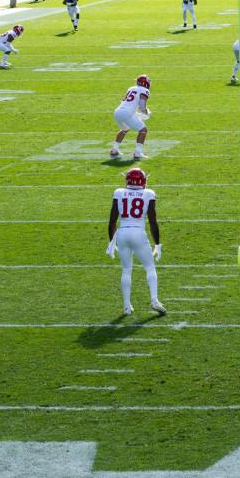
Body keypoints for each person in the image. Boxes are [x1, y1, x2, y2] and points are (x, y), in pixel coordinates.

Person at [106, 166, 164, 318]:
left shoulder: (119, 193)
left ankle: (126, 306)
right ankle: (154, 300)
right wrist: (157, 244)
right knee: (150, 267)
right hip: (138, 232)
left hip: (123, 233)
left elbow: (112, 220)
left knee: (126, 270)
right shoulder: (148, 194)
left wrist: (111, 241)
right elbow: (152, 221)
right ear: (143, 182)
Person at [111, 74, 152, 160]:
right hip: (126, 113)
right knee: (143, 130)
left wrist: (136, 114)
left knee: (125, 129)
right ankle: (138, 152)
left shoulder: (131, 88)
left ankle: (114, 149)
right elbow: (142, 106)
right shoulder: (144, 90)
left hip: (117, 112)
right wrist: (146, 112)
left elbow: (129, 104)